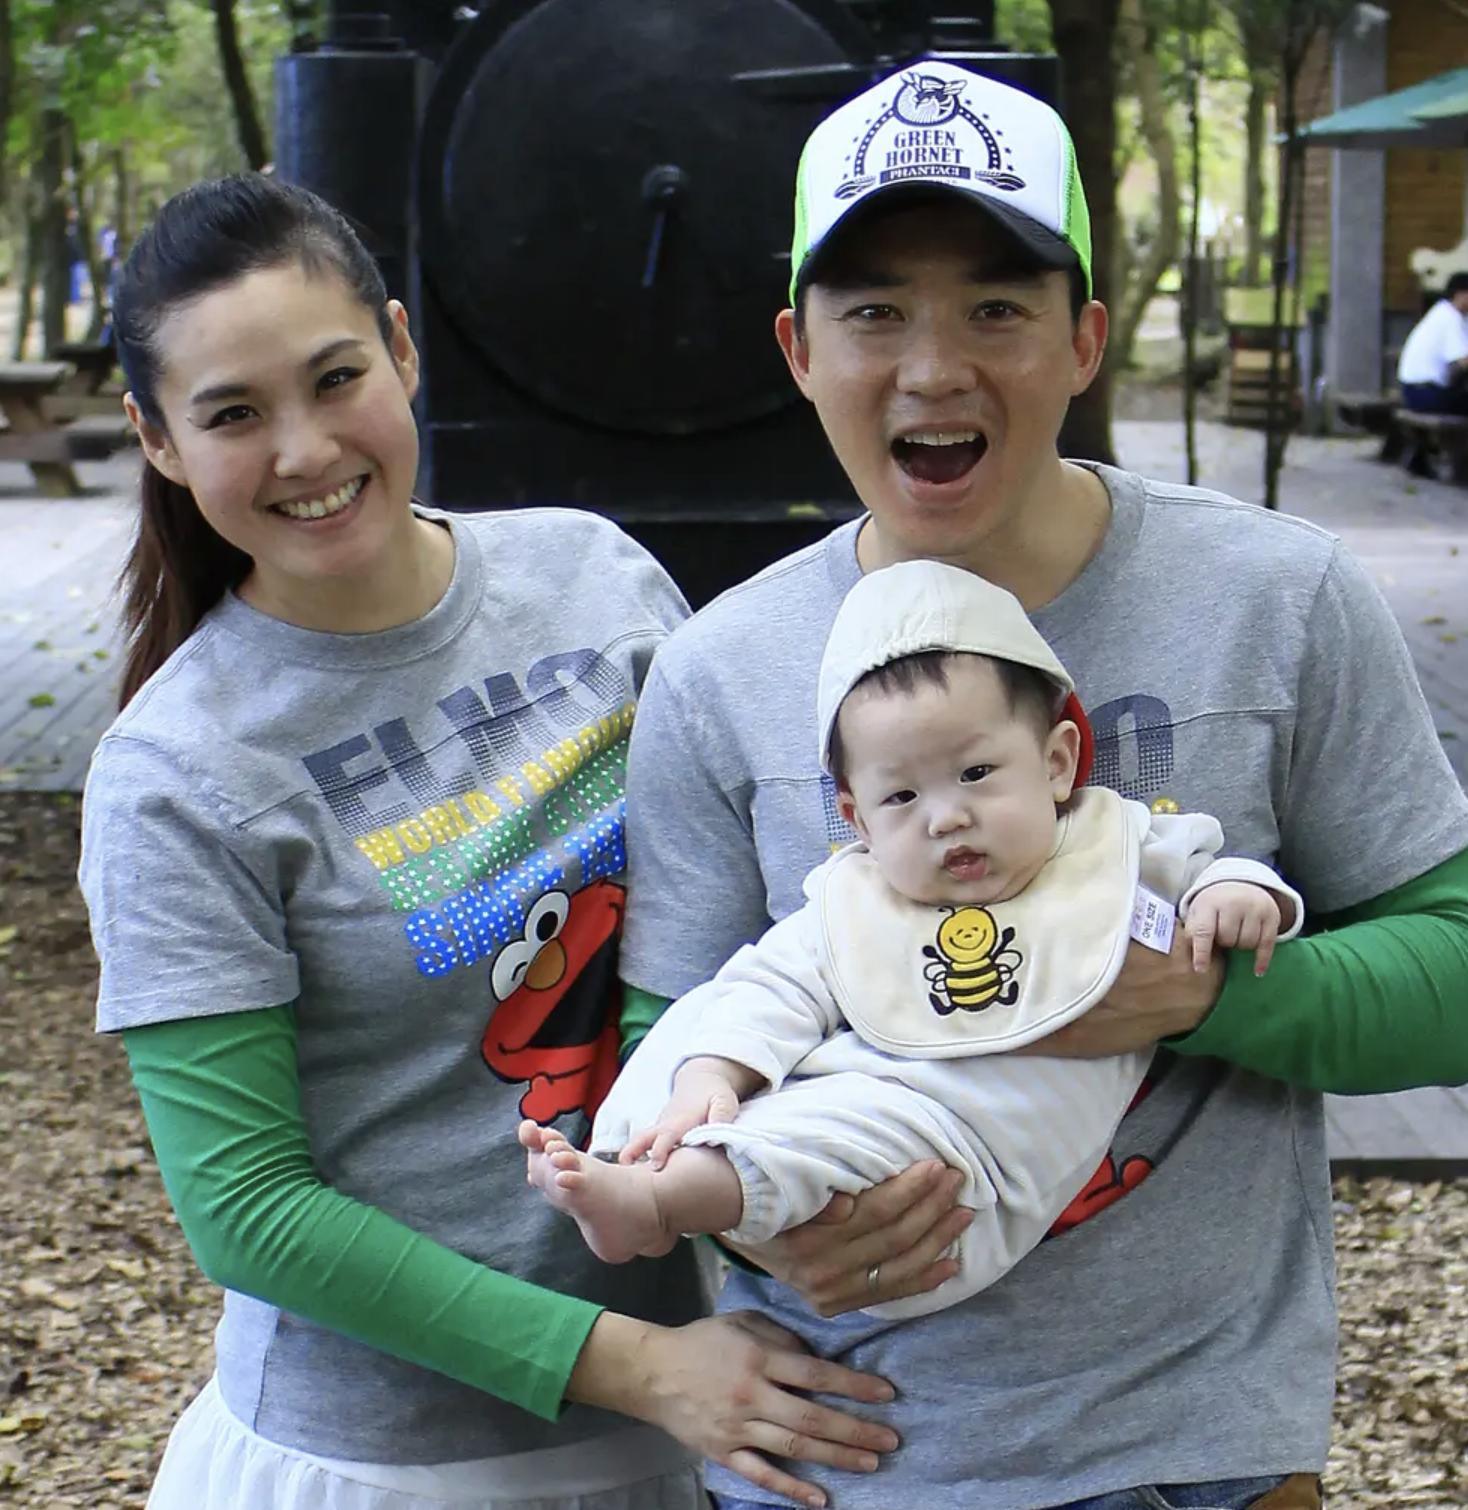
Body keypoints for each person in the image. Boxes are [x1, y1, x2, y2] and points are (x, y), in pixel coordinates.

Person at [617, 61, 1468, 1510]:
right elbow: (672, 1034)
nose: (932, 369)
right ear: (798, 350)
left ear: (1083, 341)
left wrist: (1198, 996)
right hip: (844, 1456)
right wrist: (752, 1223)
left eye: (996, 309)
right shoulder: (719, 668)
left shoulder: (1277, 598)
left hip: (1197, 1454)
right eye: (873, 312)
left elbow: (1453, 967)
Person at [76, 173, 903, 1510]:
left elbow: (753, 929)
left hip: (697, 1412)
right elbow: (247, 1209)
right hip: (391, 1464)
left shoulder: (595, 578)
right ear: (158, 440)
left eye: (335, 377)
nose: (304, 449)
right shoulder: (174, 773)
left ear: (402, 351)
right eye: (233, 414)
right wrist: (639, 1364)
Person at [525, 562, 1301, 1318]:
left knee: (833, 1136)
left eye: (977, 773)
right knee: (710, 1016)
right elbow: (773, 987)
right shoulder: (856, 900)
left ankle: (662, 1200)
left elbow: (1207, 870)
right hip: (850, 1133)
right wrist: (713, 1072)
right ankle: (648, 1160)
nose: (946, 817)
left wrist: (1237, 893)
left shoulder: (1117, 849)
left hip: (964, 1168)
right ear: (857, 820)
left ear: (1057, 762)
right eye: (900, 795)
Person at [1397, 271, 1468, 416]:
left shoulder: (1441, 311)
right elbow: (1463, 361)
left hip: (1412, 391)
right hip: (1427, 394)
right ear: (1460, 294)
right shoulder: (1451, 318)